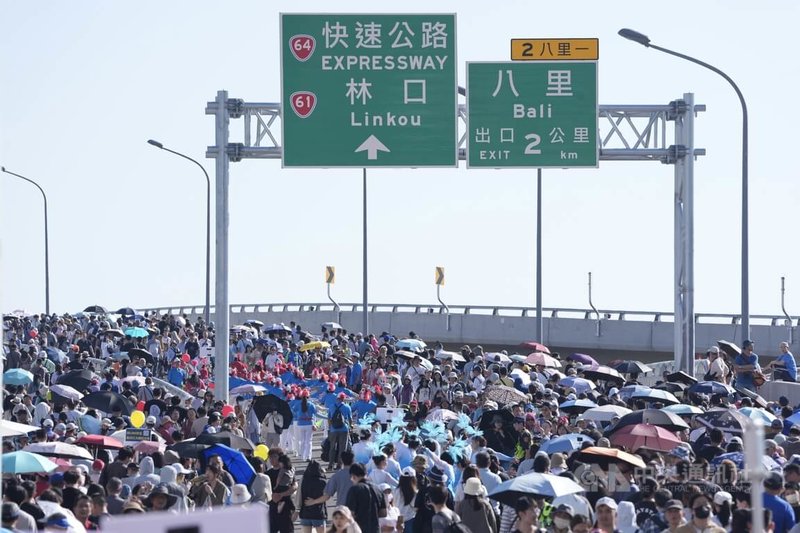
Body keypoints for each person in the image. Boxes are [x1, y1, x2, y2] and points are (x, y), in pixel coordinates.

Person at [346, 463, 387, 533]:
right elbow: (384, 513)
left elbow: (350, 513)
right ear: (366, 473)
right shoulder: (378, 489)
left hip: (359, 529)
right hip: (375, 529)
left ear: (353, 476)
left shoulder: (354, 489)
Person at [296, 460, 328, 533]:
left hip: (305, 513)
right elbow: (326, 496)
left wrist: (297, 509)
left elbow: (299, 495)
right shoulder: (323, 482)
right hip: (318, 513)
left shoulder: (303, 480)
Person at [328, 393, 353, 471]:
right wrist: (351, 426)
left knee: (332, 447)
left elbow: (329, 418)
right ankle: (339, 465)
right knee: (342, 448)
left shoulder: (332, 406)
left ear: (337, 398)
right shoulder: (347, 407)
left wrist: (330, 427)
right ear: (344, 399)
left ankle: (330, 465)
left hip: (333, 429)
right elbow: (350, 419)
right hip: (344, 429)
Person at [394, 467, 418, 533]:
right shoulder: (415, 493)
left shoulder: (397, 491)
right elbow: (415, 508)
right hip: (410, 519)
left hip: (397, 519)